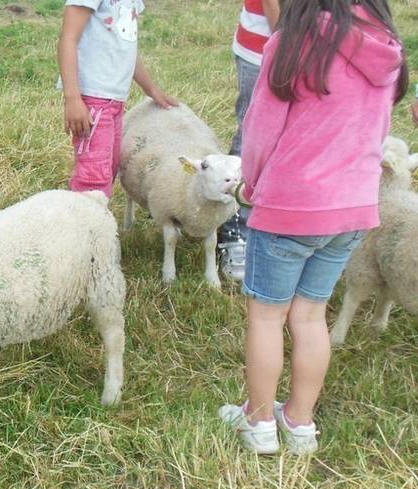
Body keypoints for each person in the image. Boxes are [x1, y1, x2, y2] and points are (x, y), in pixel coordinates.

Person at [219, 0, 409, 455]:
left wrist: (251, 183)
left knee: (267, 316)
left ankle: (259, 421)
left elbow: (261, 129)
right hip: (352, 208)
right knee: (310, 314)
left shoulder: (293, 42)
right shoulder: (387, 46)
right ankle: (300, 423)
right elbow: (379, 128)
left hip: (290, 206)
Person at [57, 0, 177, 199]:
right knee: (94, 180)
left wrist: (152, 89)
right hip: (92, 98)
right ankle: (82, 225)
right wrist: (73, 98)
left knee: (109, 167)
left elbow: (127, 45)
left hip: (115, 101)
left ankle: (90, 219)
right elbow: (68, 39)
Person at [216, 0, 281, 283]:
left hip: (319, 49)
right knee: (253, 138)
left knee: (298, 143)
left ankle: (283, 227)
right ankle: (236, 231)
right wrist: (289, 46)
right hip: (265, 47)